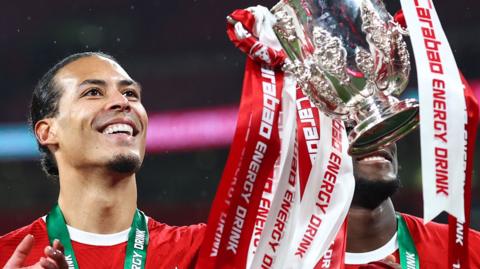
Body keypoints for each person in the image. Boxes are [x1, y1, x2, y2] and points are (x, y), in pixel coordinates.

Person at [0, 52, 205, 269]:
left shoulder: (205, 250)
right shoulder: (7, 257)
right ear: (48, 132)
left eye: (130, 93)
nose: (123, 102)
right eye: (94, 92)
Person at [343, 143, 480, 268]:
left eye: (381, 126)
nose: (374, 135)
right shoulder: (320, 255)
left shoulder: (471, 249)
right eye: (348, 127)